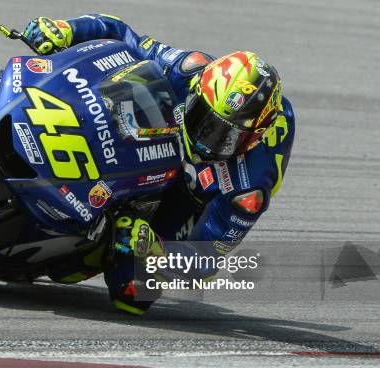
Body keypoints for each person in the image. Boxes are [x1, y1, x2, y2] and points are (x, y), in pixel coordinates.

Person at [23, 15, 296, 315]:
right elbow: (123, 37)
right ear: (199, 89)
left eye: (227, 137)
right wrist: (68, 29)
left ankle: (97, 247)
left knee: (133, 293)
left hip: (198, 192)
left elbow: (203, 265)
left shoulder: (247, 191)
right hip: (165, 138)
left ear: (255, 138)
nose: (207, 140)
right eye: (203, 119)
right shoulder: (190, 69)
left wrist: (157, 252)